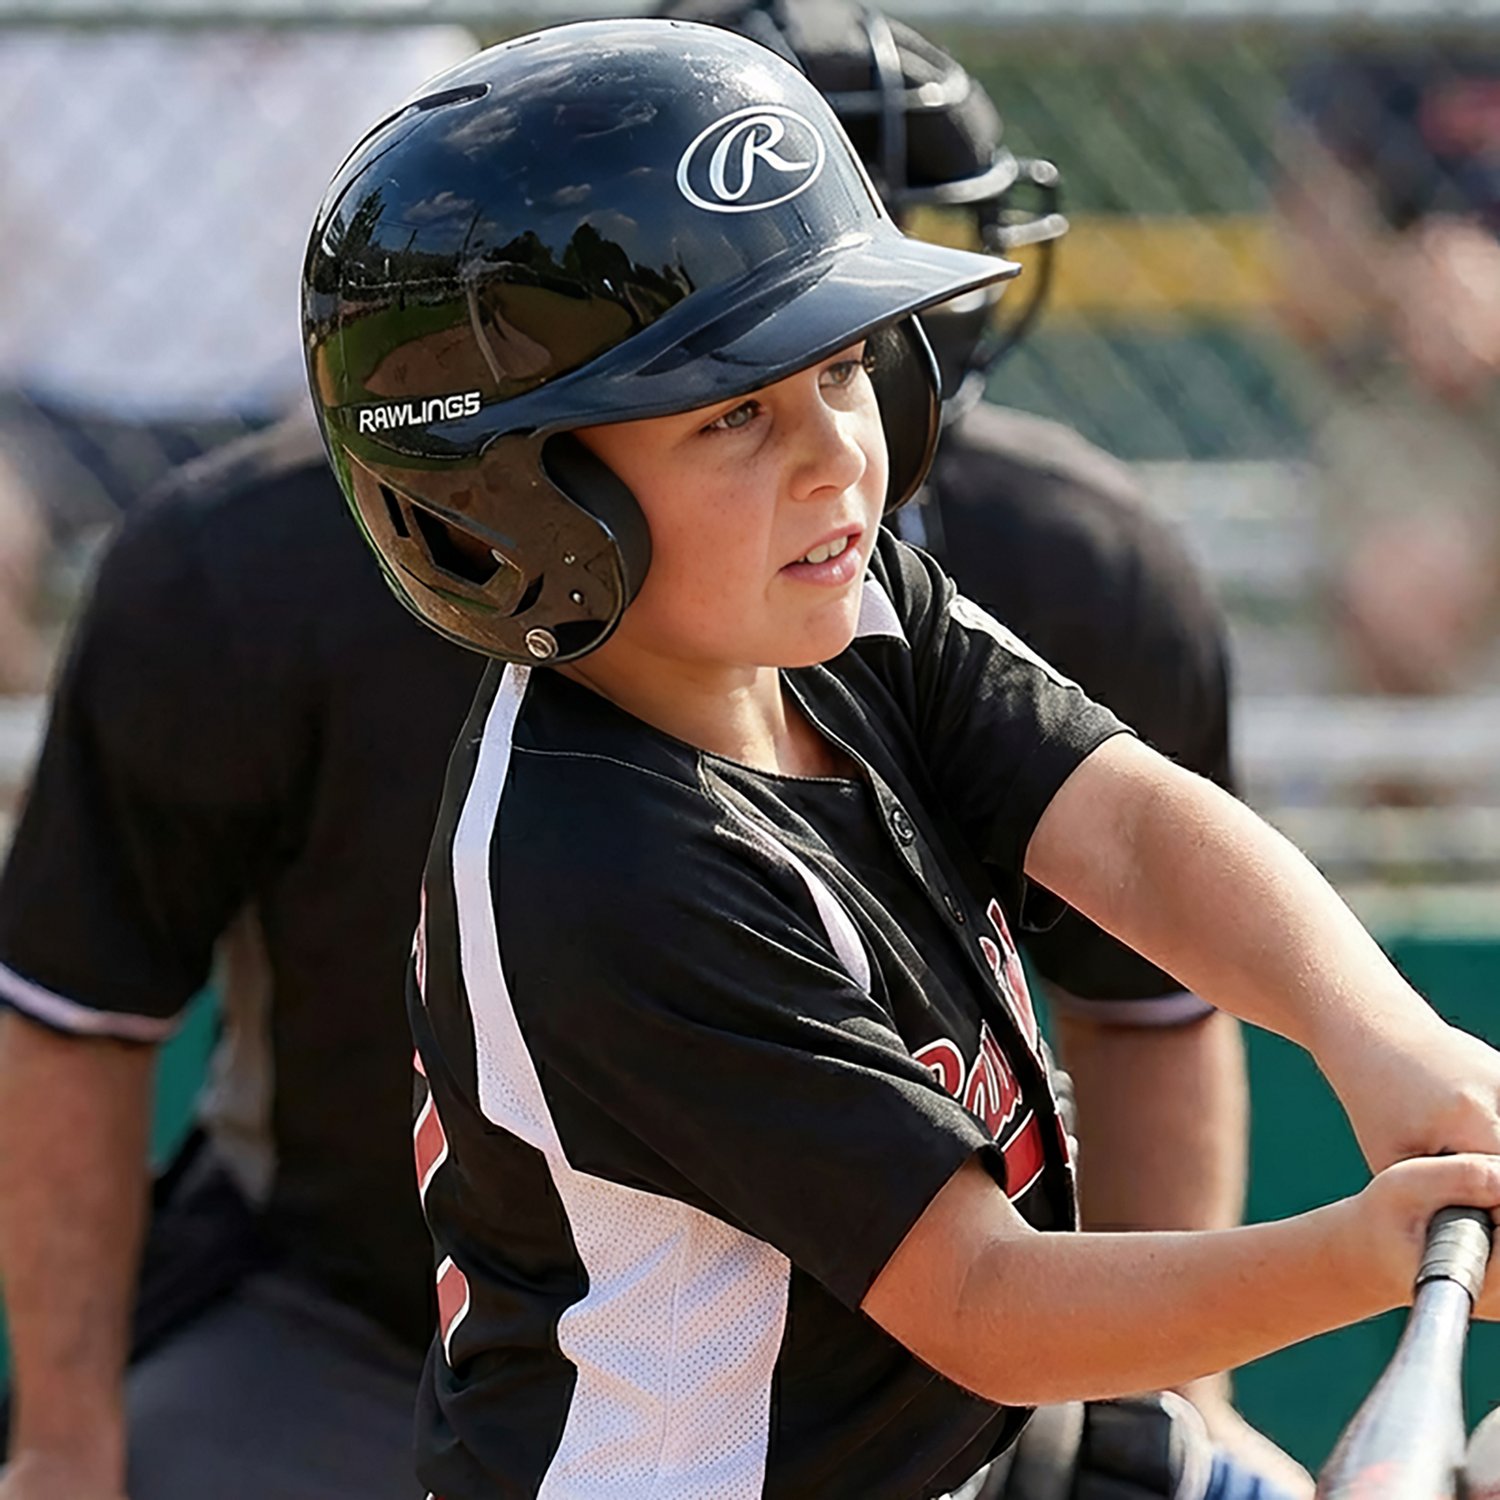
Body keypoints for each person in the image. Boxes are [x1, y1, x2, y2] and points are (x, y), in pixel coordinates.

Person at [294, 21, 1500, 1500]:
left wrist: (1382, 1035)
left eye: (847, 370)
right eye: (738, 415)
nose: (839, 458)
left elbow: (1124, 827)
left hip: (959, 1451)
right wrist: (1364, 1257)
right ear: (513, 500)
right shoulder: (599, 866)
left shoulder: (841, 613)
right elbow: (985, 1306)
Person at [659, 4, 1292, 1488]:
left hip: (951, 1334)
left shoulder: (1010, 573)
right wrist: (1370, 1251)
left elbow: (1148, 948)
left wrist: (1187, 1396)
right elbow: (987, 1306)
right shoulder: (579, 750)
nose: (860, 363)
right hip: (515, 1335)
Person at [0, 23, 476, 692]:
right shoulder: (44, 32)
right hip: (45, 418)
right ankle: (45, 765)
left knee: (382, 534)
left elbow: (418, 288)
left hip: (295, 412)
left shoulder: (395, 45)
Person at [1272, 46, 1500, 696]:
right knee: (1403, 592)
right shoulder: (1374, 53)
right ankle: (1417, 800)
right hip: (1418, 393)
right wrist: (1417, 283)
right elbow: (1307, 295)